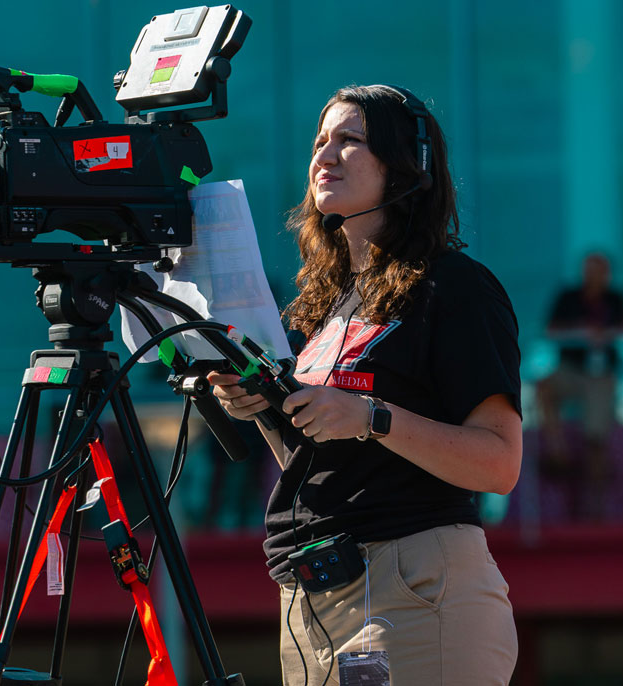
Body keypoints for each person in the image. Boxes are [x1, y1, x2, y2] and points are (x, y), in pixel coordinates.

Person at [209, 85, 521, 685]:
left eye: (350, 140)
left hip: (414, 587)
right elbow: (324, 457)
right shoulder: (318, 309)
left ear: (408, 164)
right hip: (313, 599)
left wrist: (372, 416)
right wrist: (265, 414)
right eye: (320, 141)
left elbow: (499, 464)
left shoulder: (454, 286)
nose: (325, 156)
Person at [536, 252, 623, 520]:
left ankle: (595, 509)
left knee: (596, 439)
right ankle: (557, 451)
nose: (593, 276)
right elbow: (550, 330)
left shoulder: (616, 299)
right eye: (589, 269)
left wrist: (606, 335)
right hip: (571, 370)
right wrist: (582, 332)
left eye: (599, 270)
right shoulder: (568, 297)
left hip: (600, 375)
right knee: (544, 388)